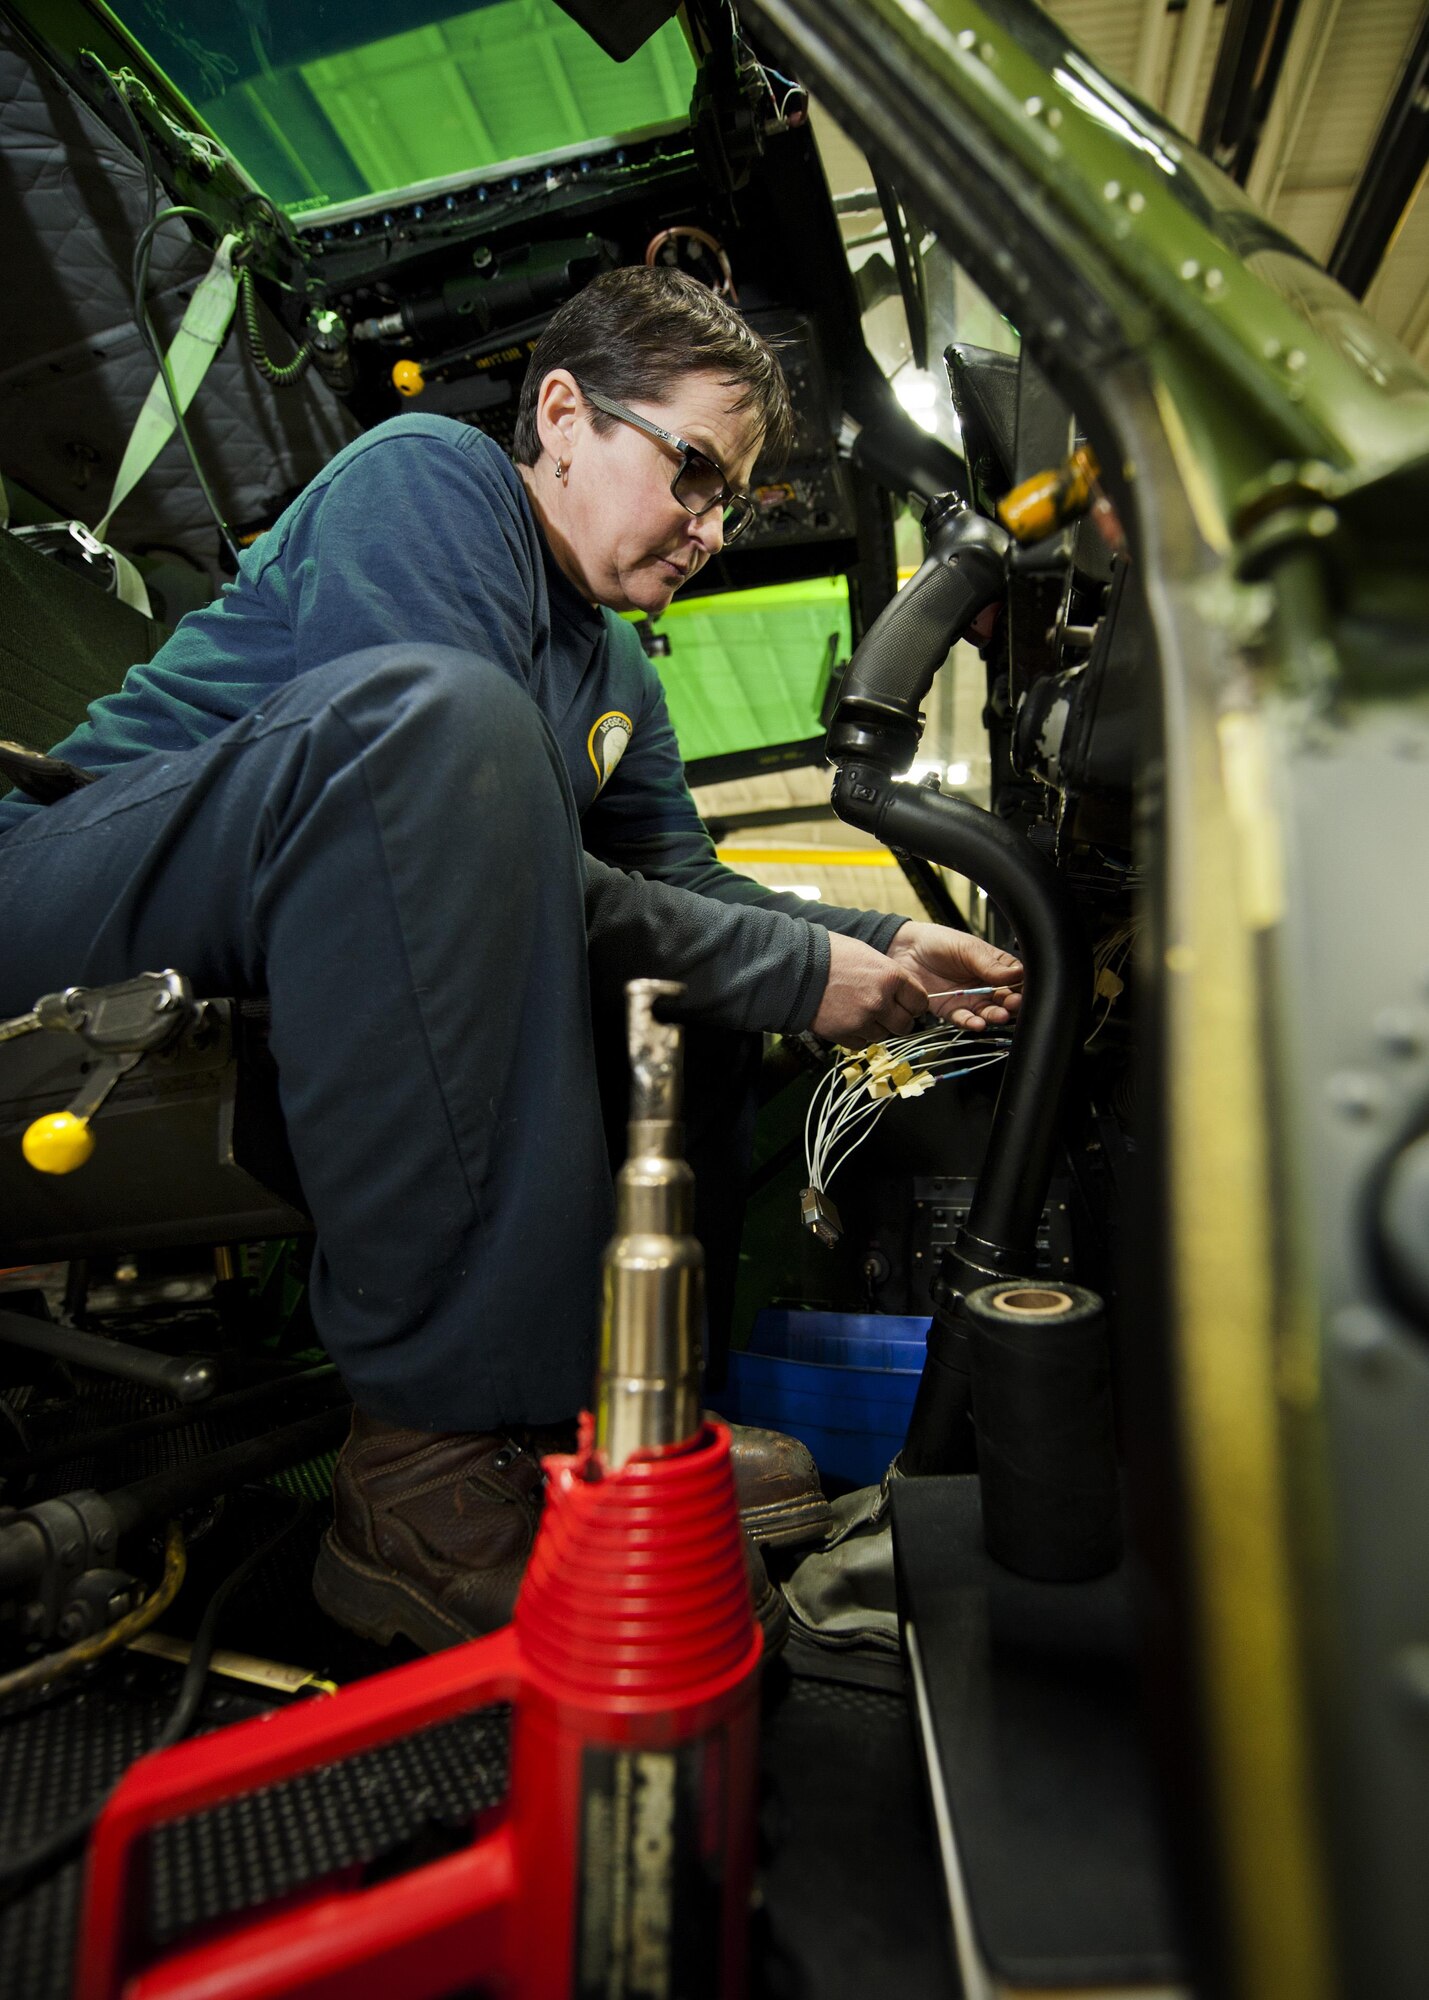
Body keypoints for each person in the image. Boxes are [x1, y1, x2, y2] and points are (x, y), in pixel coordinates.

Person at [0, 266, 1021, 1651]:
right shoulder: (429, 484)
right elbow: (422, 808)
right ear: (561, 412)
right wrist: (794, 970)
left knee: (698, 984)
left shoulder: (613, 670)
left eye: (732, 501)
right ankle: (418, 1478)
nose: (711, 530)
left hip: (302, 888)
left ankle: (616, 1415)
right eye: (695, 475)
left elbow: (682, 889)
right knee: (447, 730)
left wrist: (891, 941)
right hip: (61, 885)